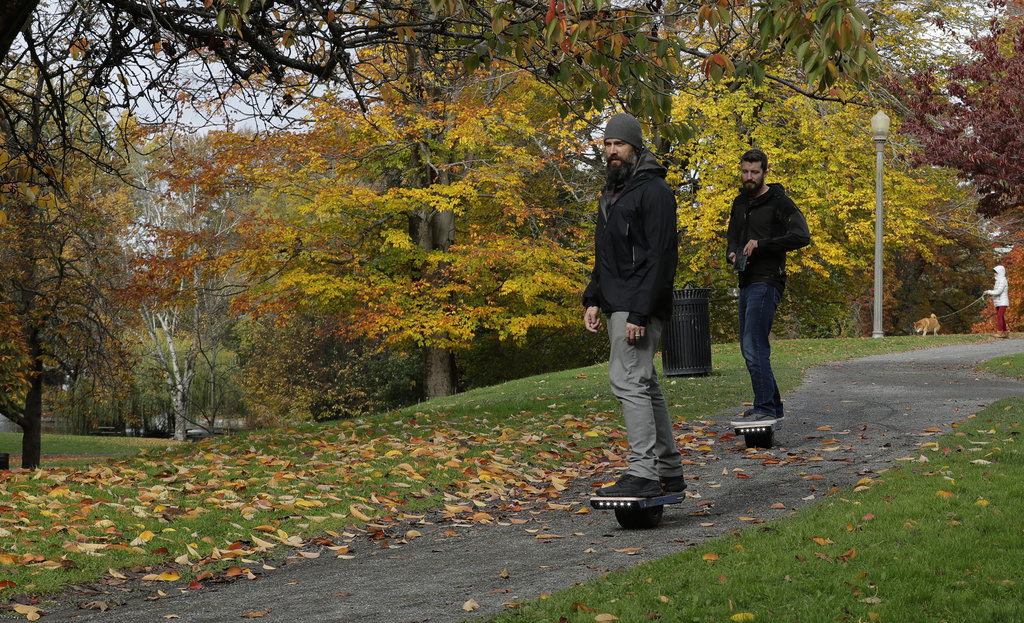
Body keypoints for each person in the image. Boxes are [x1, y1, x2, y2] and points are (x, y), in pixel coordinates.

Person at [583, 112, 686, 498]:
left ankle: (643, 472)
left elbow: (661, 256)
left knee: (627, 381)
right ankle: (669, 469)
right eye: (607, 144)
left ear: (635, 147)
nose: (612, 151)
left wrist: (640, 312)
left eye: (619, 144)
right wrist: (593, 297)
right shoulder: (612, 193)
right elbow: (606, 254)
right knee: (645, 383)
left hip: (638, 302)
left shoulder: (654, 191)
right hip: (618, 300)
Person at [725, 149, 811, 424]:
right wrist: (733, 253)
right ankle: (772, 404)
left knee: (753, 345)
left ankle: (764, 407)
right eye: (745, 171)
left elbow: (802, 236)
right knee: (748, 345)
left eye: (754, 172)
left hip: (768, 281)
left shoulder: (779, 202)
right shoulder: (739, 203)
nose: (748, 177)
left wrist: (761, 245)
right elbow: (732, 238)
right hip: (746, 281)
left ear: (765, 172)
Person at [985, 265, 1010, 338]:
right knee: (1001, 317)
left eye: (995, 272)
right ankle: (1005, 333)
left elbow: (999, 291)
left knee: (999, 316)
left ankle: (999, 333)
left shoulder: (1003, 280)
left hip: (1003, 301)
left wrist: (988, 292)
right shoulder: (998, 281)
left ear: (1000, 272)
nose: (994, 274)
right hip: (998, 302)